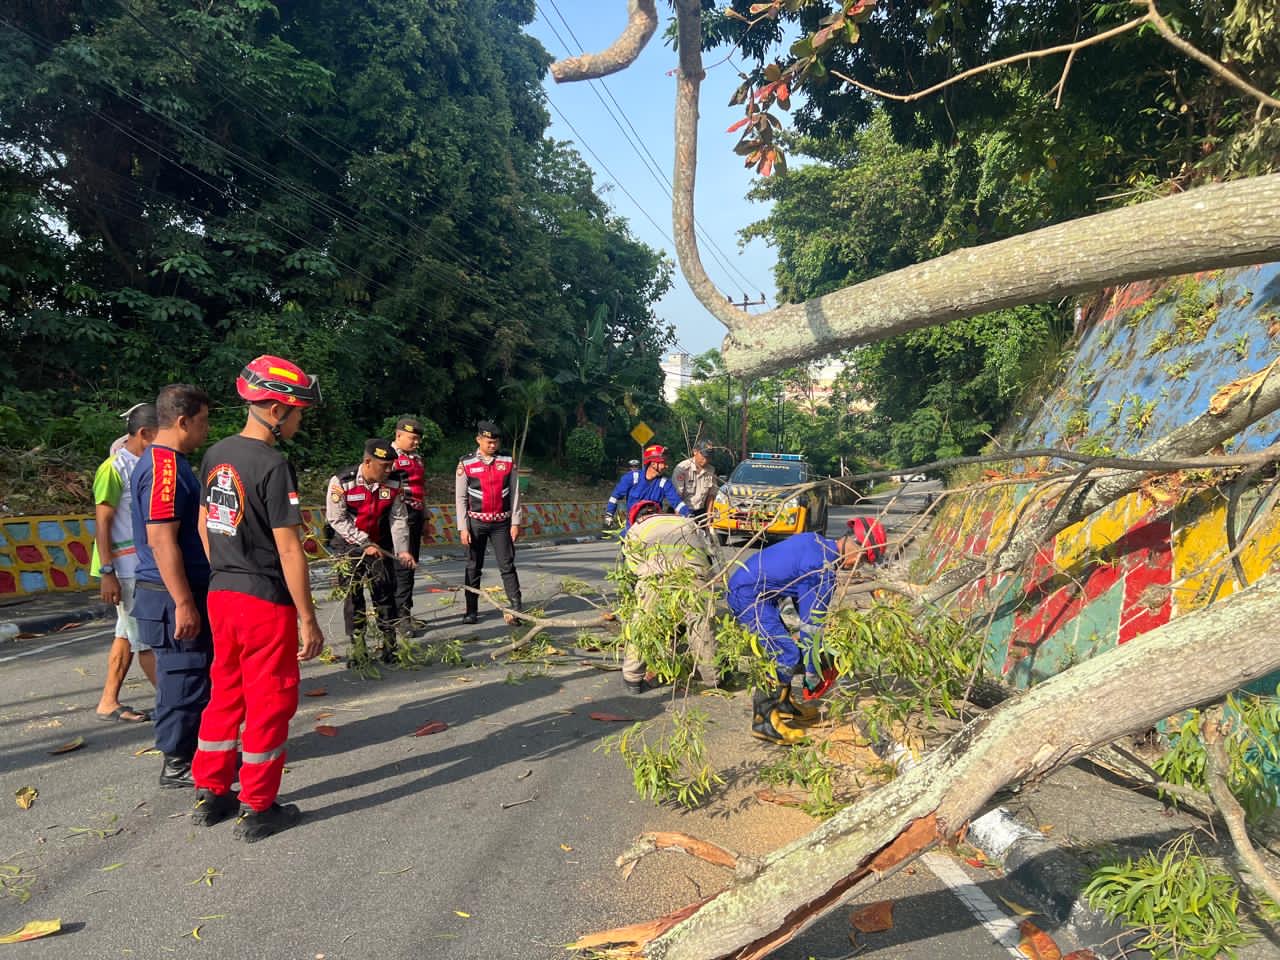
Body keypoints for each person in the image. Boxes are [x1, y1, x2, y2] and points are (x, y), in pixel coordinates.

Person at [190, 355, 326, 840]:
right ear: (275, 408)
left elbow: (206, 525)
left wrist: (226, 568)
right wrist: (308, 618)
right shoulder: (273, 465)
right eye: (298, 411)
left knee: (225, 692)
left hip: (222, 593)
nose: (300, 419)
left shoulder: (216, 455)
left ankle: (212, 792)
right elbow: (290, 548)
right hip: (263, 601)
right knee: (270, 700)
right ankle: (258, 805)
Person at [129, 384, 212, 788]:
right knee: (183, 676)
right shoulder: (164, 468)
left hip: (175, 591)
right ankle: (178, 761)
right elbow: (162, 539)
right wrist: (183, 602)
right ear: (182, 421)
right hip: (167, 596)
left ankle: (196, 751)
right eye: (202, 422)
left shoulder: (172, 462)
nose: (206, 431)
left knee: (195, 676)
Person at [725, 530, 867, 745]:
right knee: (783, 654)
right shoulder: (822, 570)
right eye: (862, 557)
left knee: (785, 649)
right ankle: (763, 722)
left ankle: (784, 707)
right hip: (748, 597)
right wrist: (813, 672)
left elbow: (803, 602)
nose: (858, 563)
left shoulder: (818, 543)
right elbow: (812, 625)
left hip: (756, 592)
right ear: (853, 544)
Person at [91, 402, 159, 723]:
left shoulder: (147, 463)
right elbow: (102, 522)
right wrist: (108, 572)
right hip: (126, 569)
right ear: (145, 434)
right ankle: (179, 705)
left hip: (142, 565)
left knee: (126, 634)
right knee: (145, 639)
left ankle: (108, 700)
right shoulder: (113, 469)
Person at [326, 439, 416, 665]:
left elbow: (398, 518)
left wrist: (403, 551)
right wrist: (363, 542)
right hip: (349, 545)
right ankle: (358, 649)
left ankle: (389, 645)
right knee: (353, 599)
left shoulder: (394, 483)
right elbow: (336, 518)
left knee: (384, 593)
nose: (389, 471)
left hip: (380, 543)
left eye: (390, 466)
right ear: (367, 462)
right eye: (384, 466)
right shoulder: (341, 482)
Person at [619, 500, 718, 694]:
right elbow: (709, 558)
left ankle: (632, 679)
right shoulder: (688, 523)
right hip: (693, 577)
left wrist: (640, 597)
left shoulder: (636, 529)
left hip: (654, 579)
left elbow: (630, 570)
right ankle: (712, 678)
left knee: (642, 625)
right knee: (700, 627)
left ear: (636, 518)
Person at [456, 421, 522, 625]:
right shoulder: (465, 464)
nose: (493, 445)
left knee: (507, 565)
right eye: (489, 442)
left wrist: (515, 522)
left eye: (496, 442)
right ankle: (471, 610)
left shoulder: (507, 462)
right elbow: (461, 498)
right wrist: (463, 527)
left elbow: (515, 493)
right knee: (473, 567)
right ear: (479, 440)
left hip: (501, 524)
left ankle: (517, 608)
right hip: (476, 524)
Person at [391, 417, 427, 637]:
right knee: (401, 568)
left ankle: (405, 612)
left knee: (410, 566)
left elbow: (421, 489)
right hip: (397, 518)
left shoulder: (417, 459)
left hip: (416, 516)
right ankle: (400, 618)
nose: (416, 443)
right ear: (398, 435)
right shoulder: (389, 457)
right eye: (412, 438)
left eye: (418, 439)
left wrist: (426, 517)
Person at [603, 444, 690, 533]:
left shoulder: (664, 483)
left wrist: (689, 516)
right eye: (663, 463)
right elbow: (615, 497)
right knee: (624, 538)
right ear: (653, 463)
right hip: (632, 528)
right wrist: (609, 515)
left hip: (654, 530)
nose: (666, 466)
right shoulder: (631, 478)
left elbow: (677, 503)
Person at [672, 440, 718, 521]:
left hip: (701, 513)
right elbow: (677, 498)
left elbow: (711, 496)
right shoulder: (682, 469)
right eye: (703, 456)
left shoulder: (711, 470)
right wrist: (679, 521)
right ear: (695, 452)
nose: (706, 460)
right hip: (683, 512)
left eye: (708, 457)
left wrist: (708, 518)